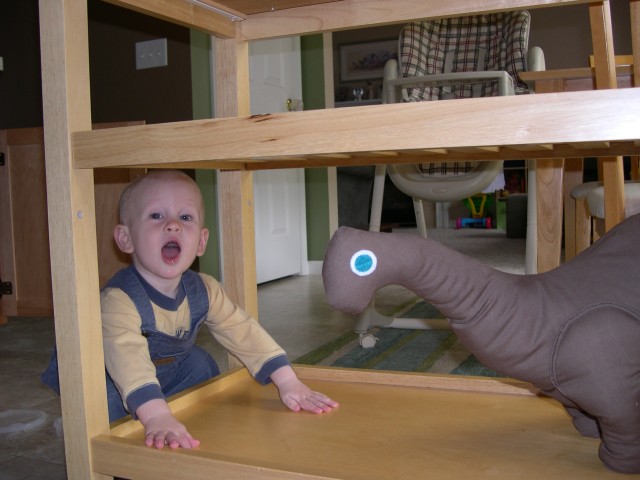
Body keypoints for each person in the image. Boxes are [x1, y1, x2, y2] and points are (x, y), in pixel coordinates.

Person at [43, 170, 337, 449]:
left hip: (165, 370)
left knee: (201, 364)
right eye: (156, 215)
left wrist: (288, 382)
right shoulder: (117, 301)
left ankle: (188, 426)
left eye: (185, 217)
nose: (173, 225)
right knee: (99, 400)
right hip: (114, 379)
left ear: (201, 242)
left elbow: (242, 330)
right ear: (126, 239)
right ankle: (125, 445)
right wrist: (156, 415)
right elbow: (127, 357)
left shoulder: (205, 289)